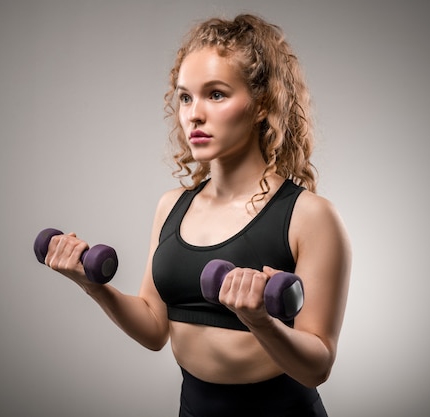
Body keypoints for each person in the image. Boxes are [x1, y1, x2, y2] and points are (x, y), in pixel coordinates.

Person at [44, 13, 351, 417]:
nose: (194, 114)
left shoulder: (309, 216)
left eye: (217, 94)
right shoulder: (172, 206)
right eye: (185, 97)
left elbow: (318, 366)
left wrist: (259, 321)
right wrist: (93, 286)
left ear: (262, 105)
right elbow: (155, 328)